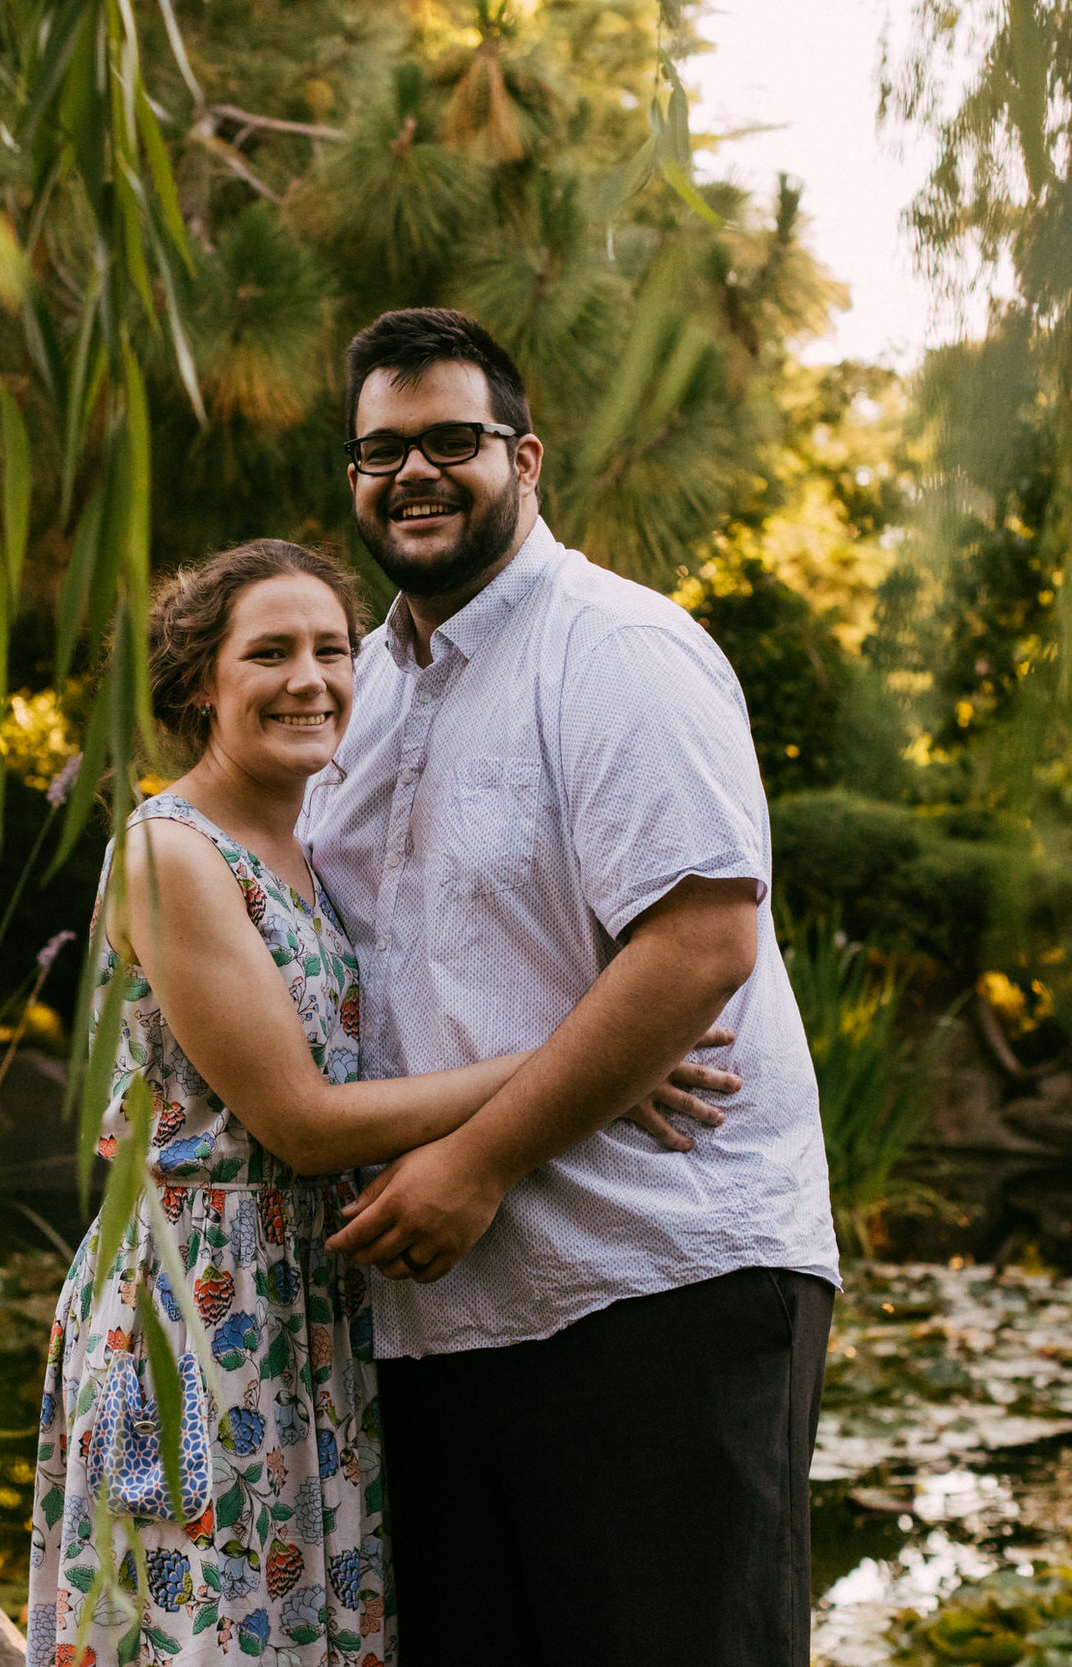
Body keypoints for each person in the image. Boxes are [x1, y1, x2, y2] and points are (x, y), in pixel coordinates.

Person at [24, 539, 737, 1667]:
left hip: (305, 1302)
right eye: (268, 652)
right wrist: (595, 1063)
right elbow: (301, 1120)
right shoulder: (171, 853)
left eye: (327, 648)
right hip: (194, 1309)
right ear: (196, 685)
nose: (310, 677)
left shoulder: (304, 850)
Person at [306, 307, 840, 1666]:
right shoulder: (360, 689)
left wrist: (480, 1153)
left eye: (450, 441)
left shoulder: (615, 651)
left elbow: (698, 945)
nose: (413, 472)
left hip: (653, 1278)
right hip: (443, 1313)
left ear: (525, 458)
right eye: (381, 452)